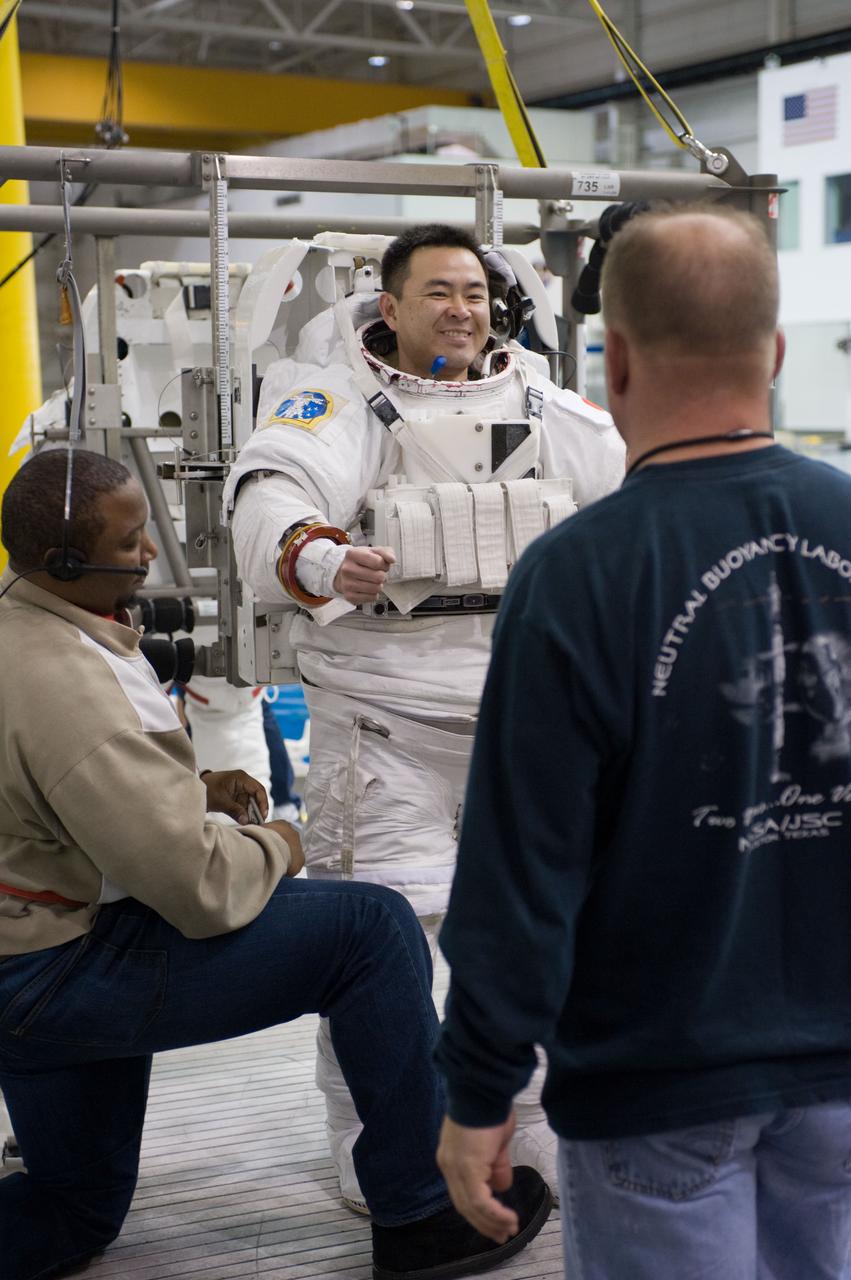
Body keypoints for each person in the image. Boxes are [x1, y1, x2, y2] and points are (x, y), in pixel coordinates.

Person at [0, 448, 551, 1280]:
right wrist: (280, 844)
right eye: (132, 539)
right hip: (58, 971)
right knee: (370, 928)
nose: (150, 553)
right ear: (68, 562)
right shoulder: (69, 683)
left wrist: (187, 790)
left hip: (25, 950)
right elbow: (195, 885)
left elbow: (64, 797)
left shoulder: (22, 621)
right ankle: (421, 1212)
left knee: (73, 1211)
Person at [433, 205, 851, 1280]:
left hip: (660, 1081)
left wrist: (480, 1087)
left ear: (612, 360)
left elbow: (521, 872)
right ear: (773, 352)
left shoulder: (577, 573)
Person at [225, 222, 625, 1206]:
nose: (461, 309)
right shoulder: (336, 401)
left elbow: (634, 489)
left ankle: (526, 1133)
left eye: (475, 293)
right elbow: (270, 493)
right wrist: (321, 557)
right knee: (380, 944)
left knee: (533, 936)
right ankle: (380, 1146)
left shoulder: (543, 403)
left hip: (521, 730)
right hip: (383, 725)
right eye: (438, 292)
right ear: (390, 306)